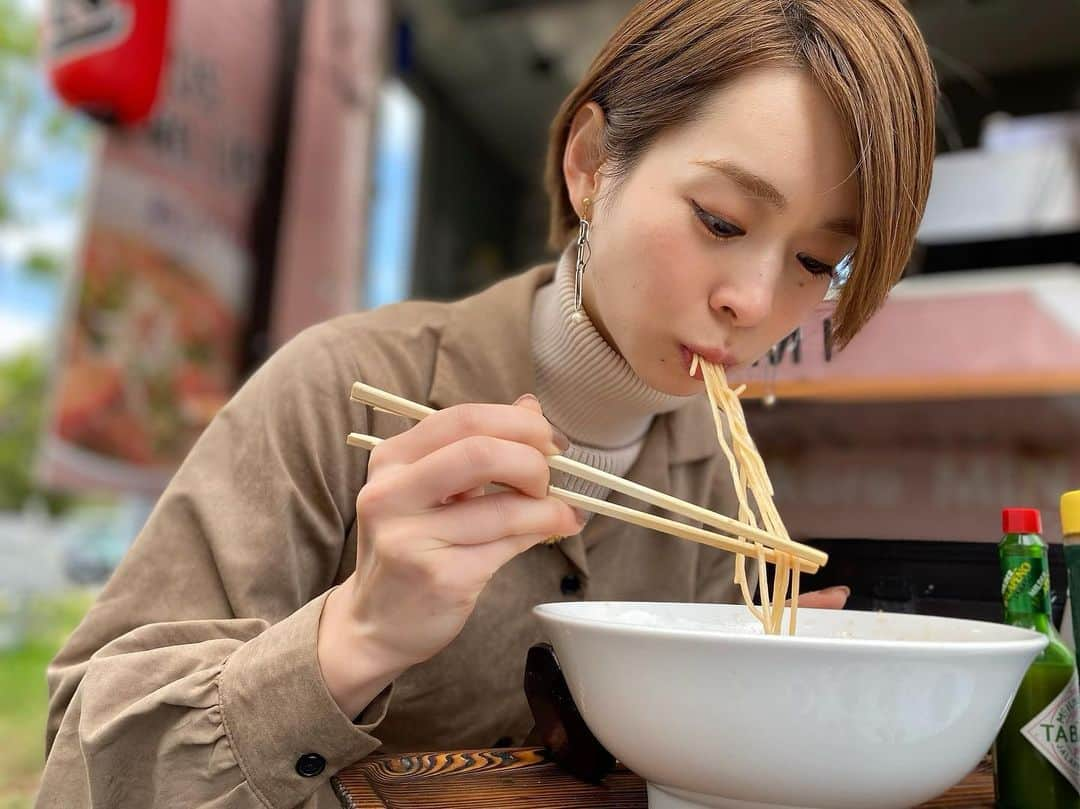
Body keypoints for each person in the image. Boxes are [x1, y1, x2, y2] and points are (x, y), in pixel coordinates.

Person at [38, 1, 936, 806]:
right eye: (722, 221)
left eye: (819, 263)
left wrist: (742, 700)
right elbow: (85, 766)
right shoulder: (340, 387)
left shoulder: (717, 485)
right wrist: (356, 632)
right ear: (590, 165)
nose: (753, 299)